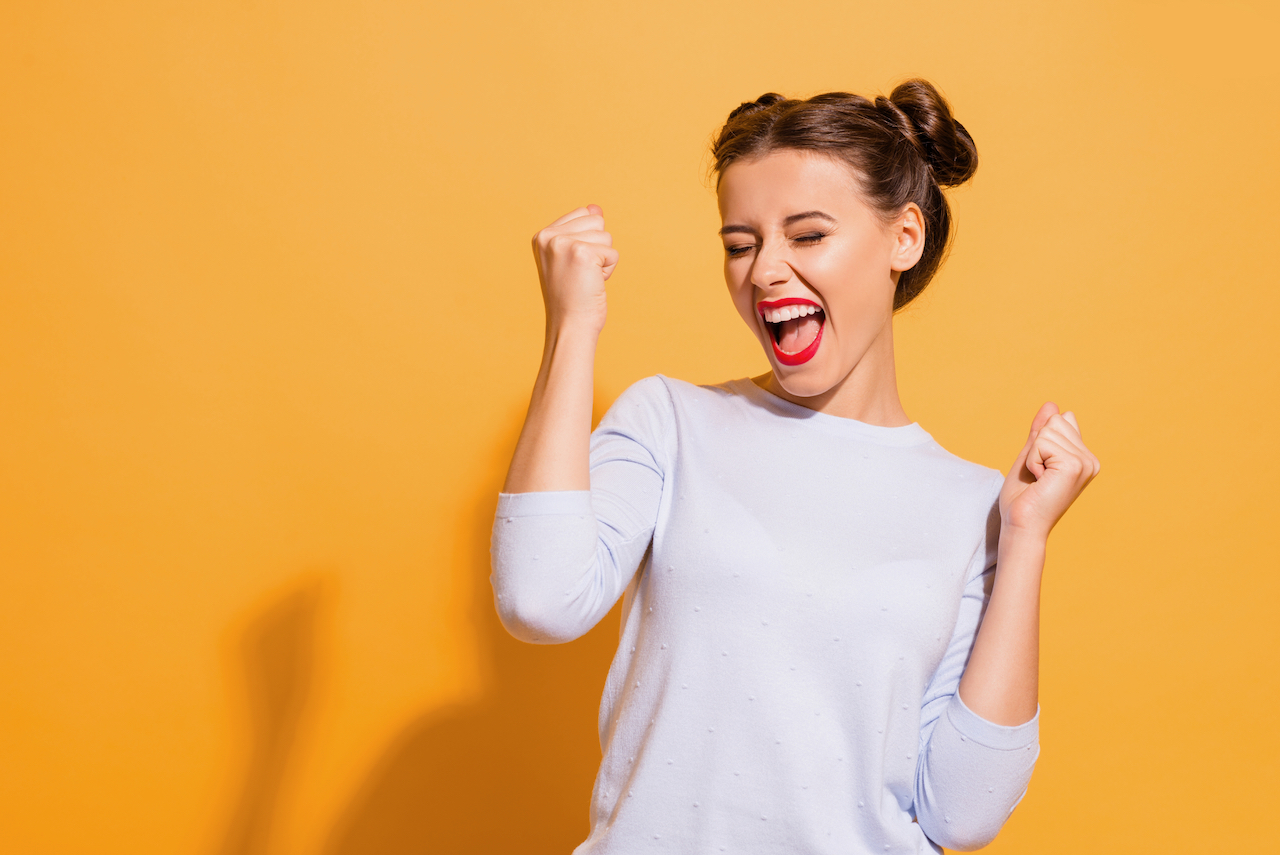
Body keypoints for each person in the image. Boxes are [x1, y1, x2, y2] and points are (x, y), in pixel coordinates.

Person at [490, 79, 1099, 854]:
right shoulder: (670, 422)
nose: (766, 271)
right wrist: (573, 325)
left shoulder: (980, 505)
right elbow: (540, 598)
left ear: (903, 238)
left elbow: (963, 813)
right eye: (740, 243)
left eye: (807, 236)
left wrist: (1027, 539)